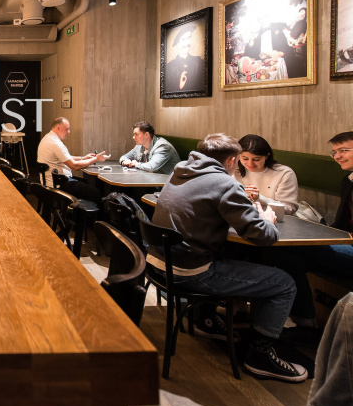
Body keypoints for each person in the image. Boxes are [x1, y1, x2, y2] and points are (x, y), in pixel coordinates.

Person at [150, 133, 307, 382]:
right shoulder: (224, 183)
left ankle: (207, 320)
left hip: (161, 265)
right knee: (284, 283)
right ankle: (260, 357)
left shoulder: (179, 171)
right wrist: (267, 219)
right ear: (233, 160)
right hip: (191, 273)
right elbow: (263, 236)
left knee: (232, 252)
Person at [269, 131, 353, 327]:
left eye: (343, 150)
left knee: (294, 247)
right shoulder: (348, 180)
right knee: (289, 259)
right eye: (334, 152)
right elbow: (342, 224)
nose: (337, 156)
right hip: (348, 243)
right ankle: (305, 324)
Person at [37, 117, 107, 201]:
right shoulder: (55, 143)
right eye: (66, 129)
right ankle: (77, 208)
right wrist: (96, 159)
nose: (68, 132)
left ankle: (78, 208)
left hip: (51, 182)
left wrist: (83, 158)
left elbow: (65, 157)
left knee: (85, 182)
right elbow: (74, 166)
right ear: (58, 128)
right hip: (57, 185)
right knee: (95, 192)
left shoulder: (48, 138)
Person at [233, 134, 299, 214]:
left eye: (256, 159)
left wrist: (259, 198)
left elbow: (289, 208)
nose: (250, 164)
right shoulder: (234, 170)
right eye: (245, 159)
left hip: (274, 218)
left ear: (267, 156)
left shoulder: (284, 173)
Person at [165, 24, 205, 92]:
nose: (187, 43)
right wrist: (179, 86)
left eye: (189, 38)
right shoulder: (169, 67)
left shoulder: (199, 62)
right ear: (177, 44)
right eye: (183, 39)